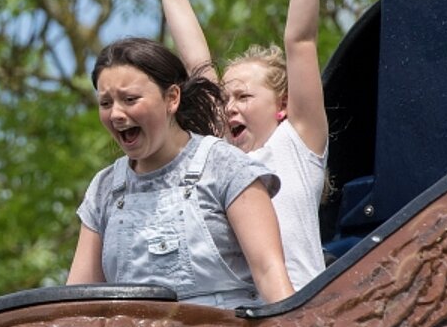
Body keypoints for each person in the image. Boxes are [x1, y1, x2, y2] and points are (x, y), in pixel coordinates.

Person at [130, 0, 338, 291]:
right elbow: (196, 64)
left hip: (303, 316)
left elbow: (300, 41)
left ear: (282, 105)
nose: (229, 107)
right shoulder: (220, 159)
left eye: (244, 96)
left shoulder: (296, 145)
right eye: (226, 99)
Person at [67, 38, 295, 307]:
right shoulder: (106, 188)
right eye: (105, 103)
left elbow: (270, 274)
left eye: (130, 99)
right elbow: (76, 303)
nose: (116, 113)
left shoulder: (225, 166)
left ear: (172, 98)